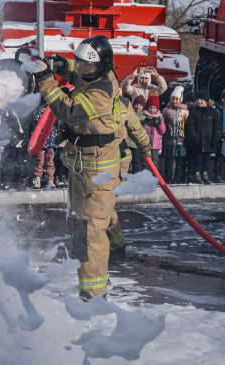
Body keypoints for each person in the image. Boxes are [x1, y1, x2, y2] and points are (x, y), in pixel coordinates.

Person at [33, 36, 150, 300]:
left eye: (88, 65)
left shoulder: (101, 93)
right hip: (84, 163)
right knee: (94, 218)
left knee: (90, 230)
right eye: (81, 63)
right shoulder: (97, 76)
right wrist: (63, 66)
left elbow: (67, 110)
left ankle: (93, 295)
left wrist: (45, 80)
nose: (82, 68)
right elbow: (79, 75)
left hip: (96, 169)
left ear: (102, 66)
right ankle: (113, 253)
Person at [184, 89, 221, 184]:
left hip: (208, 141)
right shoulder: (193, 112)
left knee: (206, 159)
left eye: (202, 99)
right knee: (198, 159)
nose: (200, 101)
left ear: (206, 100)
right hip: (197, 142)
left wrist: (215, 139)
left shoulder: (213, 112)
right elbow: (190, 127)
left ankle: (205, 174)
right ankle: (197, 174)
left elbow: (217, 127)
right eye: (198, 99)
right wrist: (194, 138)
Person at [162, 86, 189, 184]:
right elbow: (163, 123)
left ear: (180, 99)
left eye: (177, 99)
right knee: (169, 161)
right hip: (168, 139)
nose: (174, 101)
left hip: (181, 140)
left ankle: (178, 179)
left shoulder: (185, 112)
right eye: (172, 99)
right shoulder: (166, 111)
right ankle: (168, 179)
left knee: (180, 161)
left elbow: (187, 125)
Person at [29, 105, 58, 189]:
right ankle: (38, 179)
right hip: (41, 140)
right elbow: (37, 121)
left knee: (50, 161)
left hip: (50, 139)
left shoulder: (53, 110)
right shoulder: (38, 111)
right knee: (40, 160)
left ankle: (50, 180)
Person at [143, 95, 166, 171]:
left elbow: (162, 131)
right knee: (146, 162)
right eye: (150, 107)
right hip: (146, 144)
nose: (152, 110)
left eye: (154, 108)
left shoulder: (160, 117)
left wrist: (159, 123)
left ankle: (155, 178)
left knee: (155, 162)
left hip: (155, 145)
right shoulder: (145, 117)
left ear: (157, 108)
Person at [127, 96, 147, 173]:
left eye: (140, 105)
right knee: (128, 162)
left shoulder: (144, 116)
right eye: (136, 104)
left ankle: (136, 178)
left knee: (137, 162)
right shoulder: (130, 114)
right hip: (129, 142)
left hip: (137, 144)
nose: (138, 107)